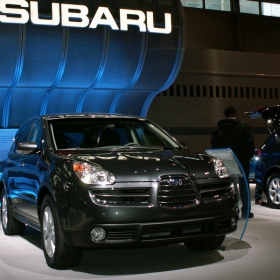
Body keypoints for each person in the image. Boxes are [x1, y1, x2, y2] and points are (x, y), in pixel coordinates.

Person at [210, 106, 255, 219]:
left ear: (225, 115)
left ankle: (233, 211)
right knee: (244, 185)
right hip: (242, 159)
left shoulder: (218, 128)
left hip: (227, 159)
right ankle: (246, 211)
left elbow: (214, 146)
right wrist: (249, 156)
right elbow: (249, 142)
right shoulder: (243, 125)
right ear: (235, 114)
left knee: (232, 186)